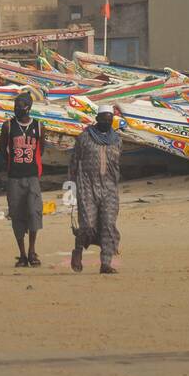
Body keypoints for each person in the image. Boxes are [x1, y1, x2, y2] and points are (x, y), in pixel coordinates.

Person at [69, 105, 123, 274]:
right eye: (104, 119)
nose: (107, 122)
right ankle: (78, 249)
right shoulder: (84, 137)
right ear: (97, 119)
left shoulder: (117, 140)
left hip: (109, 187)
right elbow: (73, 162)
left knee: (108, 224)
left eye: (110, 119)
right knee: (88, 224)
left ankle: (105, 263)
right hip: (87, 186)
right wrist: (71, 187)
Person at [0, 91, 45, 268]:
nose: (17, 108)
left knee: (34, 212)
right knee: (16, 214)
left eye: (20, 105)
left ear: (28, 107)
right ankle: (22, 254)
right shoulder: (8, 126)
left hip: (32, 176)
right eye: (15, 104)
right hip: (14, 177)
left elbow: (41, 149)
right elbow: (2, 148)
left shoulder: (39, 126)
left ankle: (33, 250)